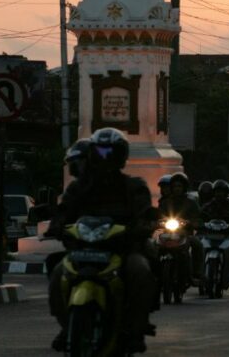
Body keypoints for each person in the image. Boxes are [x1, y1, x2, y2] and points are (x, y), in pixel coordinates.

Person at [47, 128, 157, 354]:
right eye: (101, 151)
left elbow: (144, 214)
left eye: (111, 152)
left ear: (121, 156)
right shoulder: (80, 187)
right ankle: (66, 324)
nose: (105, 157)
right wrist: (57, 226)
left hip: (121, 249)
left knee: (141, 270)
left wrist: (140, 228)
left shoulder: (133, 186)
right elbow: (64, 210)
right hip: (85, 248)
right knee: (58, 271)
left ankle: (135, 328)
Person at [158, 172, 204, 282]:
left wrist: (190, 222)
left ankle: (197, 273)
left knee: (198, 244)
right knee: (155, 247)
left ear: (184, 187)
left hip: (186, 234)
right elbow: (158, 216)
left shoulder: (191, 203)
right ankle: (155, 273)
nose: (177, 189)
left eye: (179, 186)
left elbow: (198, 218)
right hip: (167, 235)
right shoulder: (165, 202)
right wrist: (157, 221)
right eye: (174, 186)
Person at [200, 179, 229, 285]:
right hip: (210, 235)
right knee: (199, 247)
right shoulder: (208, 206)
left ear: (225, 193)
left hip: (226, 236)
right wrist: (198, 223)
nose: (219, 194)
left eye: (221, 191)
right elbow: (199, 217)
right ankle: (199, 271)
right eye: (217, 191)